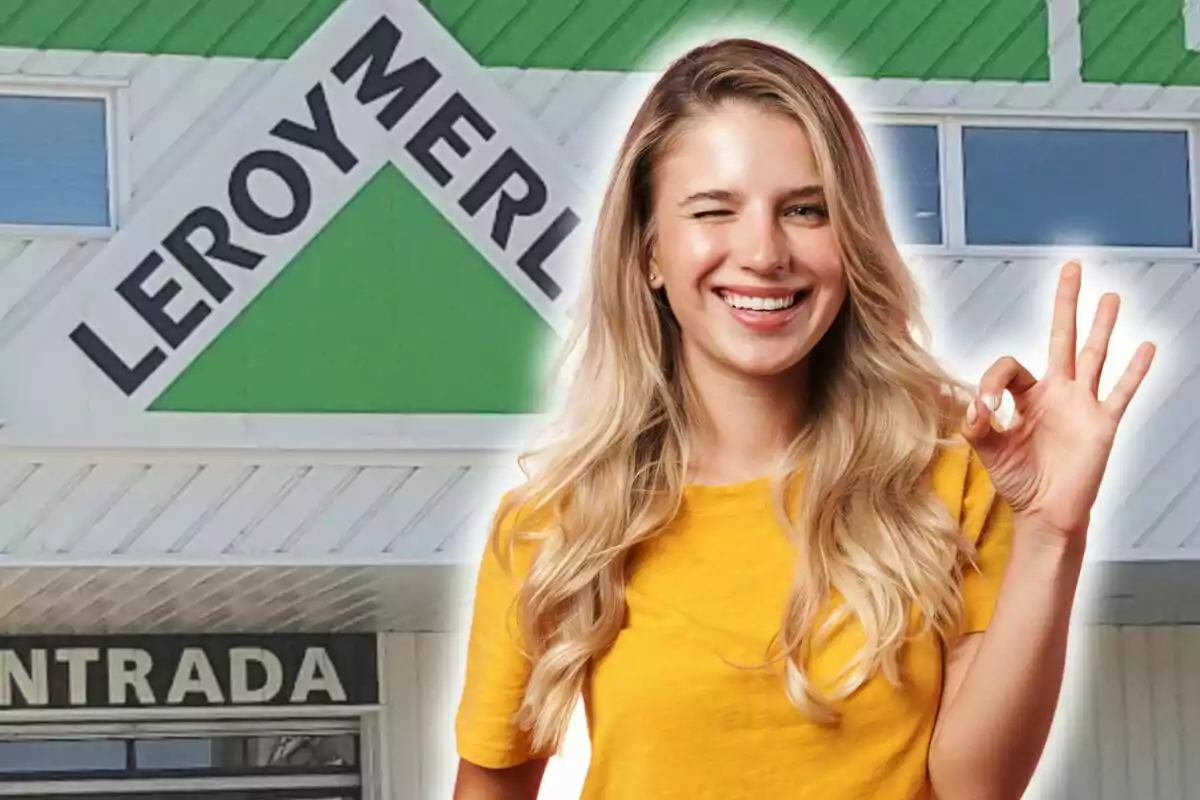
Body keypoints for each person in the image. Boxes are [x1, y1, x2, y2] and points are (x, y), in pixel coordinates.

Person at [451, 37, 1155, 800]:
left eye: (805, 211)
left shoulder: (954, 477)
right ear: (649, 253)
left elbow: (977, 788)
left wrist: (1052, 533)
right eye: (714, 210)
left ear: (851, 239)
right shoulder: (553, 526)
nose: (763, 252)